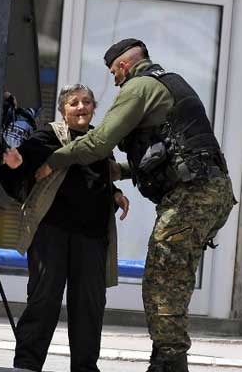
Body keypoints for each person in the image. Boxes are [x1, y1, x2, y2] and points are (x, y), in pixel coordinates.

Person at [34, 39, 237, 372]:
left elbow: (99, 142)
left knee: (161, 283)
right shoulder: (171, 82)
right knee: (176, 279)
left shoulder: (138, 87)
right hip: (213, 192)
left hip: (191, 195)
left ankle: (169, 363)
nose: (115, 81)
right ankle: (167, 358)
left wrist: (53, 161)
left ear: (124, 66)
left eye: (114, 73)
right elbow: (169, 151)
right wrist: (121, 171)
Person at [3, 84, 129, 372]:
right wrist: (16, 163)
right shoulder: (48, 136)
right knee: (44, 299)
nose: (81, 107)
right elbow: (23, 161)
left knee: (89, 305)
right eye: (74, 103)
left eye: (86, 102)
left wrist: (115, 194)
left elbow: (99, 179)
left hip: (92, 236)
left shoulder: (100, 141)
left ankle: (85, 368)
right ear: (63, 110)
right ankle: (27, 364)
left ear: (94, 108)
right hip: (52, 233)